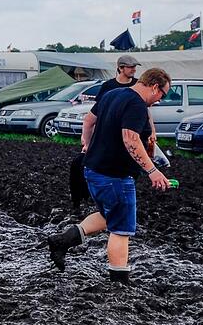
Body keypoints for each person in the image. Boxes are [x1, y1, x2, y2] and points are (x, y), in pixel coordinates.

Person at [48, 68, 172, 284]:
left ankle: (62, 240)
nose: (161, 99)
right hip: (115, 176)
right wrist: (152, 171)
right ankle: (119, 283)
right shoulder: (136, 105)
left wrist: (86, 145)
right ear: (154, 87)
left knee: (108, 215)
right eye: (163, 94)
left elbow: (88, 121)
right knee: (121, 229)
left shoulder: (112, 94)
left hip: (93, 170)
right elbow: (131, 138)